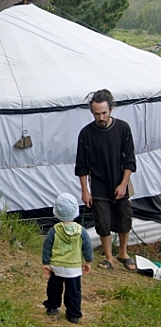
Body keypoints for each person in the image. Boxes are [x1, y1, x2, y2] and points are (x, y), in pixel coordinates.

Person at [75, 89, 137, 271]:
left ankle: (123, 253)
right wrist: (85, 190)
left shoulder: (123, 128)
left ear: (110, 109)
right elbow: (81, 165)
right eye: (96, 114)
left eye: (103, 112)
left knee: (124, 217)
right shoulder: (86, 134)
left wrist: (124, 184)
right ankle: (108, 257)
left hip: (120, 180)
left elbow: (130, 160)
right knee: (102, 220)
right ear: (91, 112)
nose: (100, 117)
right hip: (99, 183)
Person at [42, 193, 93, 324]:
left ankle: (52, 307)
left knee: (54, 288)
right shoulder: (81, 230)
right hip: (73, 268)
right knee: (74, 292)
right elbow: (87, 246)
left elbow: (47, 246)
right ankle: (73, 314)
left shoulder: (54, 230)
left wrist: (46, 263)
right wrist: (88, 261)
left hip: (56, 266)